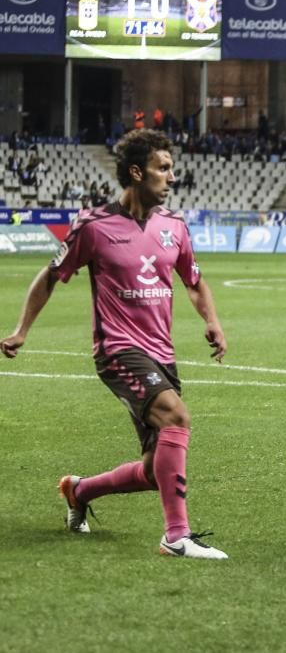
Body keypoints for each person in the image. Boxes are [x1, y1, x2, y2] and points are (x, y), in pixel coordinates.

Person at [0, 129, 228, 560]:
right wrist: (21, 329)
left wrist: (212, 321)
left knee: (153, 468)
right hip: (117, 350)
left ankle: (79, 490)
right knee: (177, 417)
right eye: (163, 168)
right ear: (137, 172)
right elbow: (51, 275)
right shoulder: (95, 226)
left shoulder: (174, 226)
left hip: (161, 353)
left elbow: (193, 281)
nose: (172, 176)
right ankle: (176, 536)